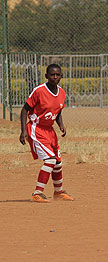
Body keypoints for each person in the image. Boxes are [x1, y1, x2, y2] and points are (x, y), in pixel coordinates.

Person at [20, 64, 74, 203]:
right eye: (52, 74)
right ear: (46, 76)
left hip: (50, 131)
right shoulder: (39, 91)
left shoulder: (61, 92)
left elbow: (58, 111)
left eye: (58, 75)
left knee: (58, 163)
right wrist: (23, 131)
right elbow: (24, 110)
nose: (55, 77)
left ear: (61, 76)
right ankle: (37, 193)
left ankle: (58, 192)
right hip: (36, 129)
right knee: (50, 160)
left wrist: (61, 125)